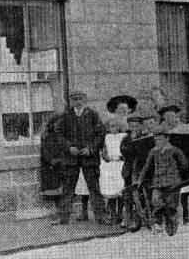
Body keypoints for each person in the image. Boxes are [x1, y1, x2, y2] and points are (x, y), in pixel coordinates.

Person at [51, 90, 105, 225]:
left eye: (80, 98)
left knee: (94, 188)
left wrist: (91, 149)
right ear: (71, 101)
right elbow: (58, 134)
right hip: (71, 158)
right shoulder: (65, 116)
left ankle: (101, 216)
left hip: (89, 158)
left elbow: (100, 134)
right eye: (74, 99)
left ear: (85, 99)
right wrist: (69, 147)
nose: (77, 101)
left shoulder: (93, 115)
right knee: (68, 189)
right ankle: (63, 217)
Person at [140, 126, 189, 236]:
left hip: (173, 182)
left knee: (171, 204)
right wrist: (140, 180)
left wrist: (177, 175)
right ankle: (158, 222)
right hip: (158, 182)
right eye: (156, 139)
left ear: (167, 139)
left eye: (160, 139)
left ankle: (171, 222)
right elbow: (147, 166)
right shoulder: (153, 151)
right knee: (156, 201)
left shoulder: (174, 150)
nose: (158, 142)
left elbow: (184, 165)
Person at [99, 118, 127, 225]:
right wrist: (111, 158)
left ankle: (120, 213)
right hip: (109, 167)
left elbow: (125, 150)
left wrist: (121, 157)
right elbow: (104, 153)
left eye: (116, 126)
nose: (114, 128)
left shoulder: (123, 136)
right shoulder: (105, 138)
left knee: (120, 191)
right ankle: (113, 215)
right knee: (111, 192)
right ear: (108, 128)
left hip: (120, 166)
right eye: (112, 126)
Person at [39, 116, 64, 220]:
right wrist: (52, 160)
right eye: (57, 124)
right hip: (50, 169)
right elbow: (45, 151)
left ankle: (61, 214)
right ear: (52, 125)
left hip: (61, 168)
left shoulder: (62, 136)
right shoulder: (47, 137)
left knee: (62, 192)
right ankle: (56, 213)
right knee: (54, 193)